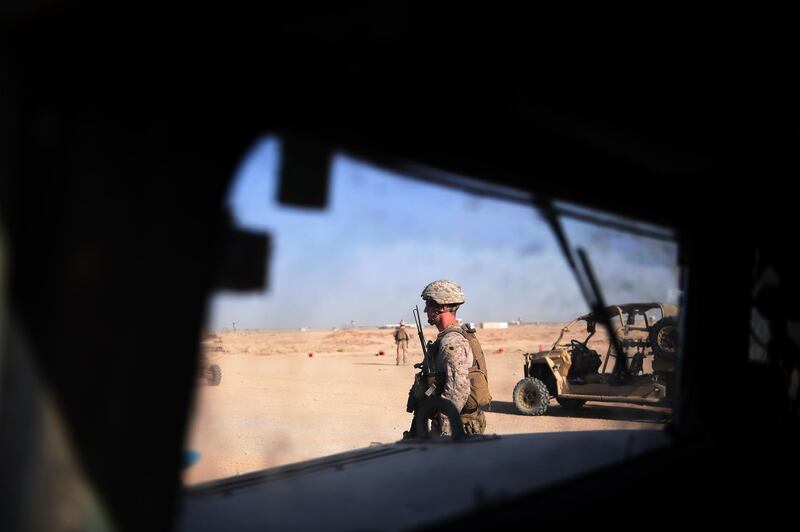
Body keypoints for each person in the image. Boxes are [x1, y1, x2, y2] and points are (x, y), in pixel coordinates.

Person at [420, 279, 491, 435]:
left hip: (456, 427)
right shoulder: (450, 337)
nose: (425, 310)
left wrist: (445, 434)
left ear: (443, 306)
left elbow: (457, 390)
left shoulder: (452, 342)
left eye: (429, 303)